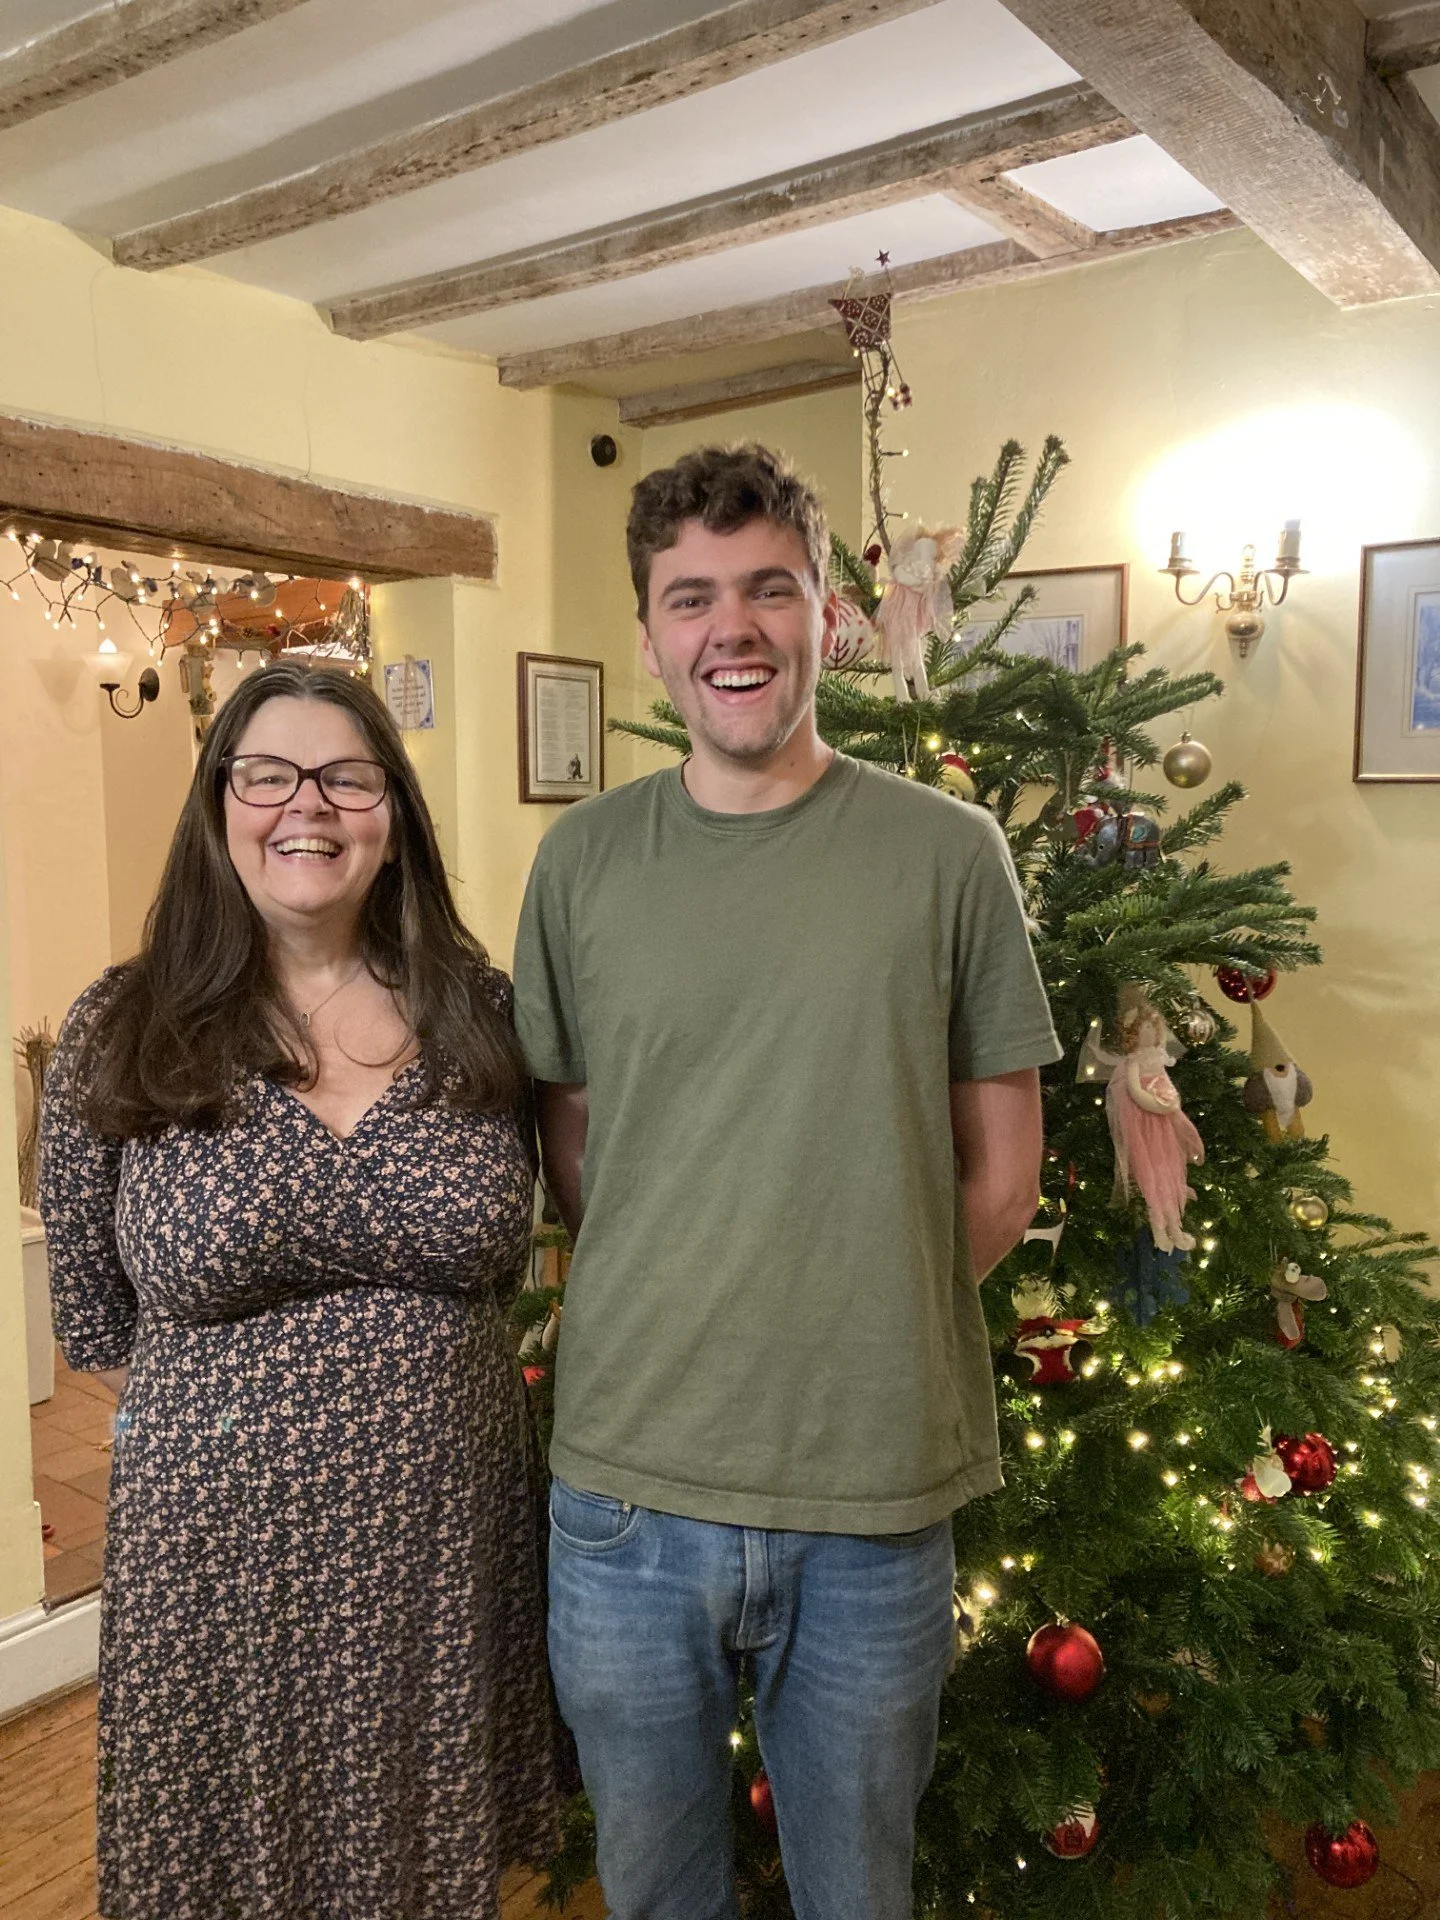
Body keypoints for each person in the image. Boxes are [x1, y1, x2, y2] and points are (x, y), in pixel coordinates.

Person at [513, 444, 1063, 1920]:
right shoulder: (578, 866)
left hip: (875, 1492)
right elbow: (576, 1147)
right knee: (655, 1893)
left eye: (770, 588)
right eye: (691, 598)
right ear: (649, 632)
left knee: (858, 1895)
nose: (731, 629)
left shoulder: (950, 856)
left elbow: (1003, 1175)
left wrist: (858, 1306)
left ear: (829, 612)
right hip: (628, 1493)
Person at [39, 661, 558, 1920]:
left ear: (394, 812)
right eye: (266, 774)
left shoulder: (488, 1015)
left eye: (345, 775)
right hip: (214, 1568)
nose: (305, 806)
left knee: (431, 1875)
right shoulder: (119, 1026)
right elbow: (93, 1311)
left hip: (445, 1558)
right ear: (218, 803)